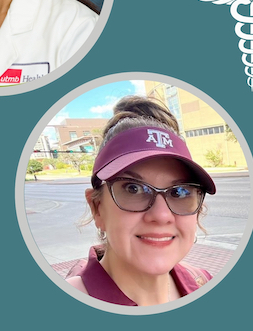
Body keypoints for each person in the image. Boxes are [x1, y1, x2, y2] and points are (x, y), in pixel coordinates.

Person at [66, 96, 215, 306]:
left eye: (180, 192)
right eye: (133, 189)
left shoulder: (203, 283)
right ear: (97, 208)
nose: (162, 215)